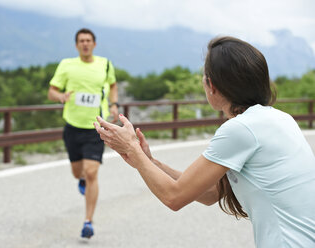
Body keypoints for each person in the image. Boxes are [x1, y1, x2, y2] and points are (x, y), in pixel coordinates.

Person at [94, 36, 315, 247]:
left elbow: (174, 197)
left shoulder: (241, 129)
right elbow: (211, 193)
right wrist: (149, 161)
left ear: (212, 85)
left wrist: (132, 149)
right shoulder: (279, 118)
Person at [48, 28, 119, 239]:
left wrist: (113, 104)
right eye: (81, 41)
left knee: (91, 172)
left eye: (88, 40)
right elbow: (51, 91)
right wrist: (60, 96)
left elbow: (113, 85)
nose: (85, 44)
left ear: (94, 44)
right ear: (76, 45)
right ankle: (81, 179)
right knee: (77, 172)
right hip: (72, 126)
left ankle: (88, 222)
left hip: (96, 127)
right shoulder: (66, 65)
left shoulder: (105, 64)